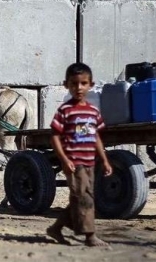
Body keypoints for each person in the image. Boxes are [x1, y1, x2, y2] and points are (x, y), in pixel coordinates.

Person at [46, 62, 113, 247]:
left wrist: (105, 160)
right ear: (66, 85)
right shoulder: (65, 110)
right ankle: (90, 236)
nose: (79, 88)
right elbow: (54, 137)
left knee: (81, 197)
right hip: (74, 163)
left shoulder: (93, 112)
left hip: (90, 162)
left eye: (84, 83)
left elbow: (96, 136)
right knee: (85, 198)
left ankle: (56, 228)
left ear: (91, 84)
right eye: (74, 84)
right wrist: (64, 160)